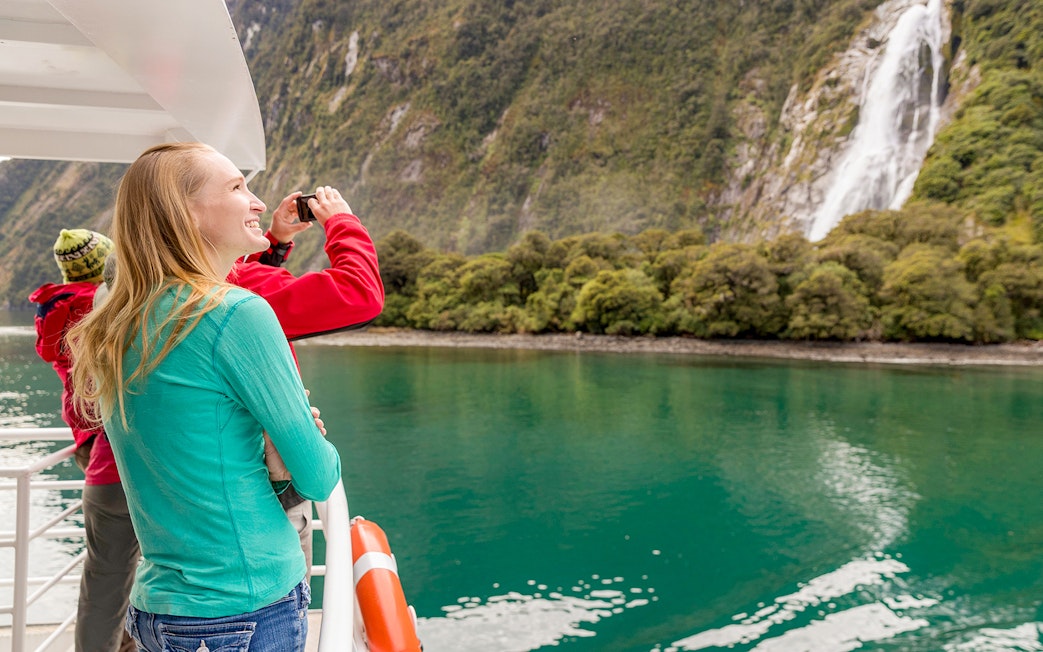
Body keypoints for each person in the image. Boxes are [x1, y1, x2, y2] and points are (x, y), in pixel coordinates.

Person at [67, 142, 344, 651]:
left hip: (159, 611)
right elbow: (320, 474)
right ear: (185, 212)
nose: (258, 202)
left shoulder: (117, 324)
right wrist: (288, 462)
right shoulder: (237, 314)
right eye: (238, 187)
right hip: (245, 607)